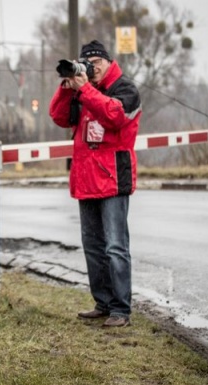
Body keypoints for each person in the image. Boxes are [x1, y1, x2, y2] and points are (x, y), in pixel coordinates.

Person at [49, 40, 141, 328]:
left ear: (108, 61)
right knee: (93, 246)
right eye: (88, 62)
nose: (93, 67)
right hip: (87, 179)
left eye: (97, 62)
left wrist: (85, 89)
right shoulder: (82, 90)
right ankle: (103, 303)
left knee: (115, 246)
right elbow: (59, 116)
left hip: (113, 178)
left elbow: (115, 117)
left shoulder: (125, 89)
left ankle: (120, 310)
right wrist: (67, 87)